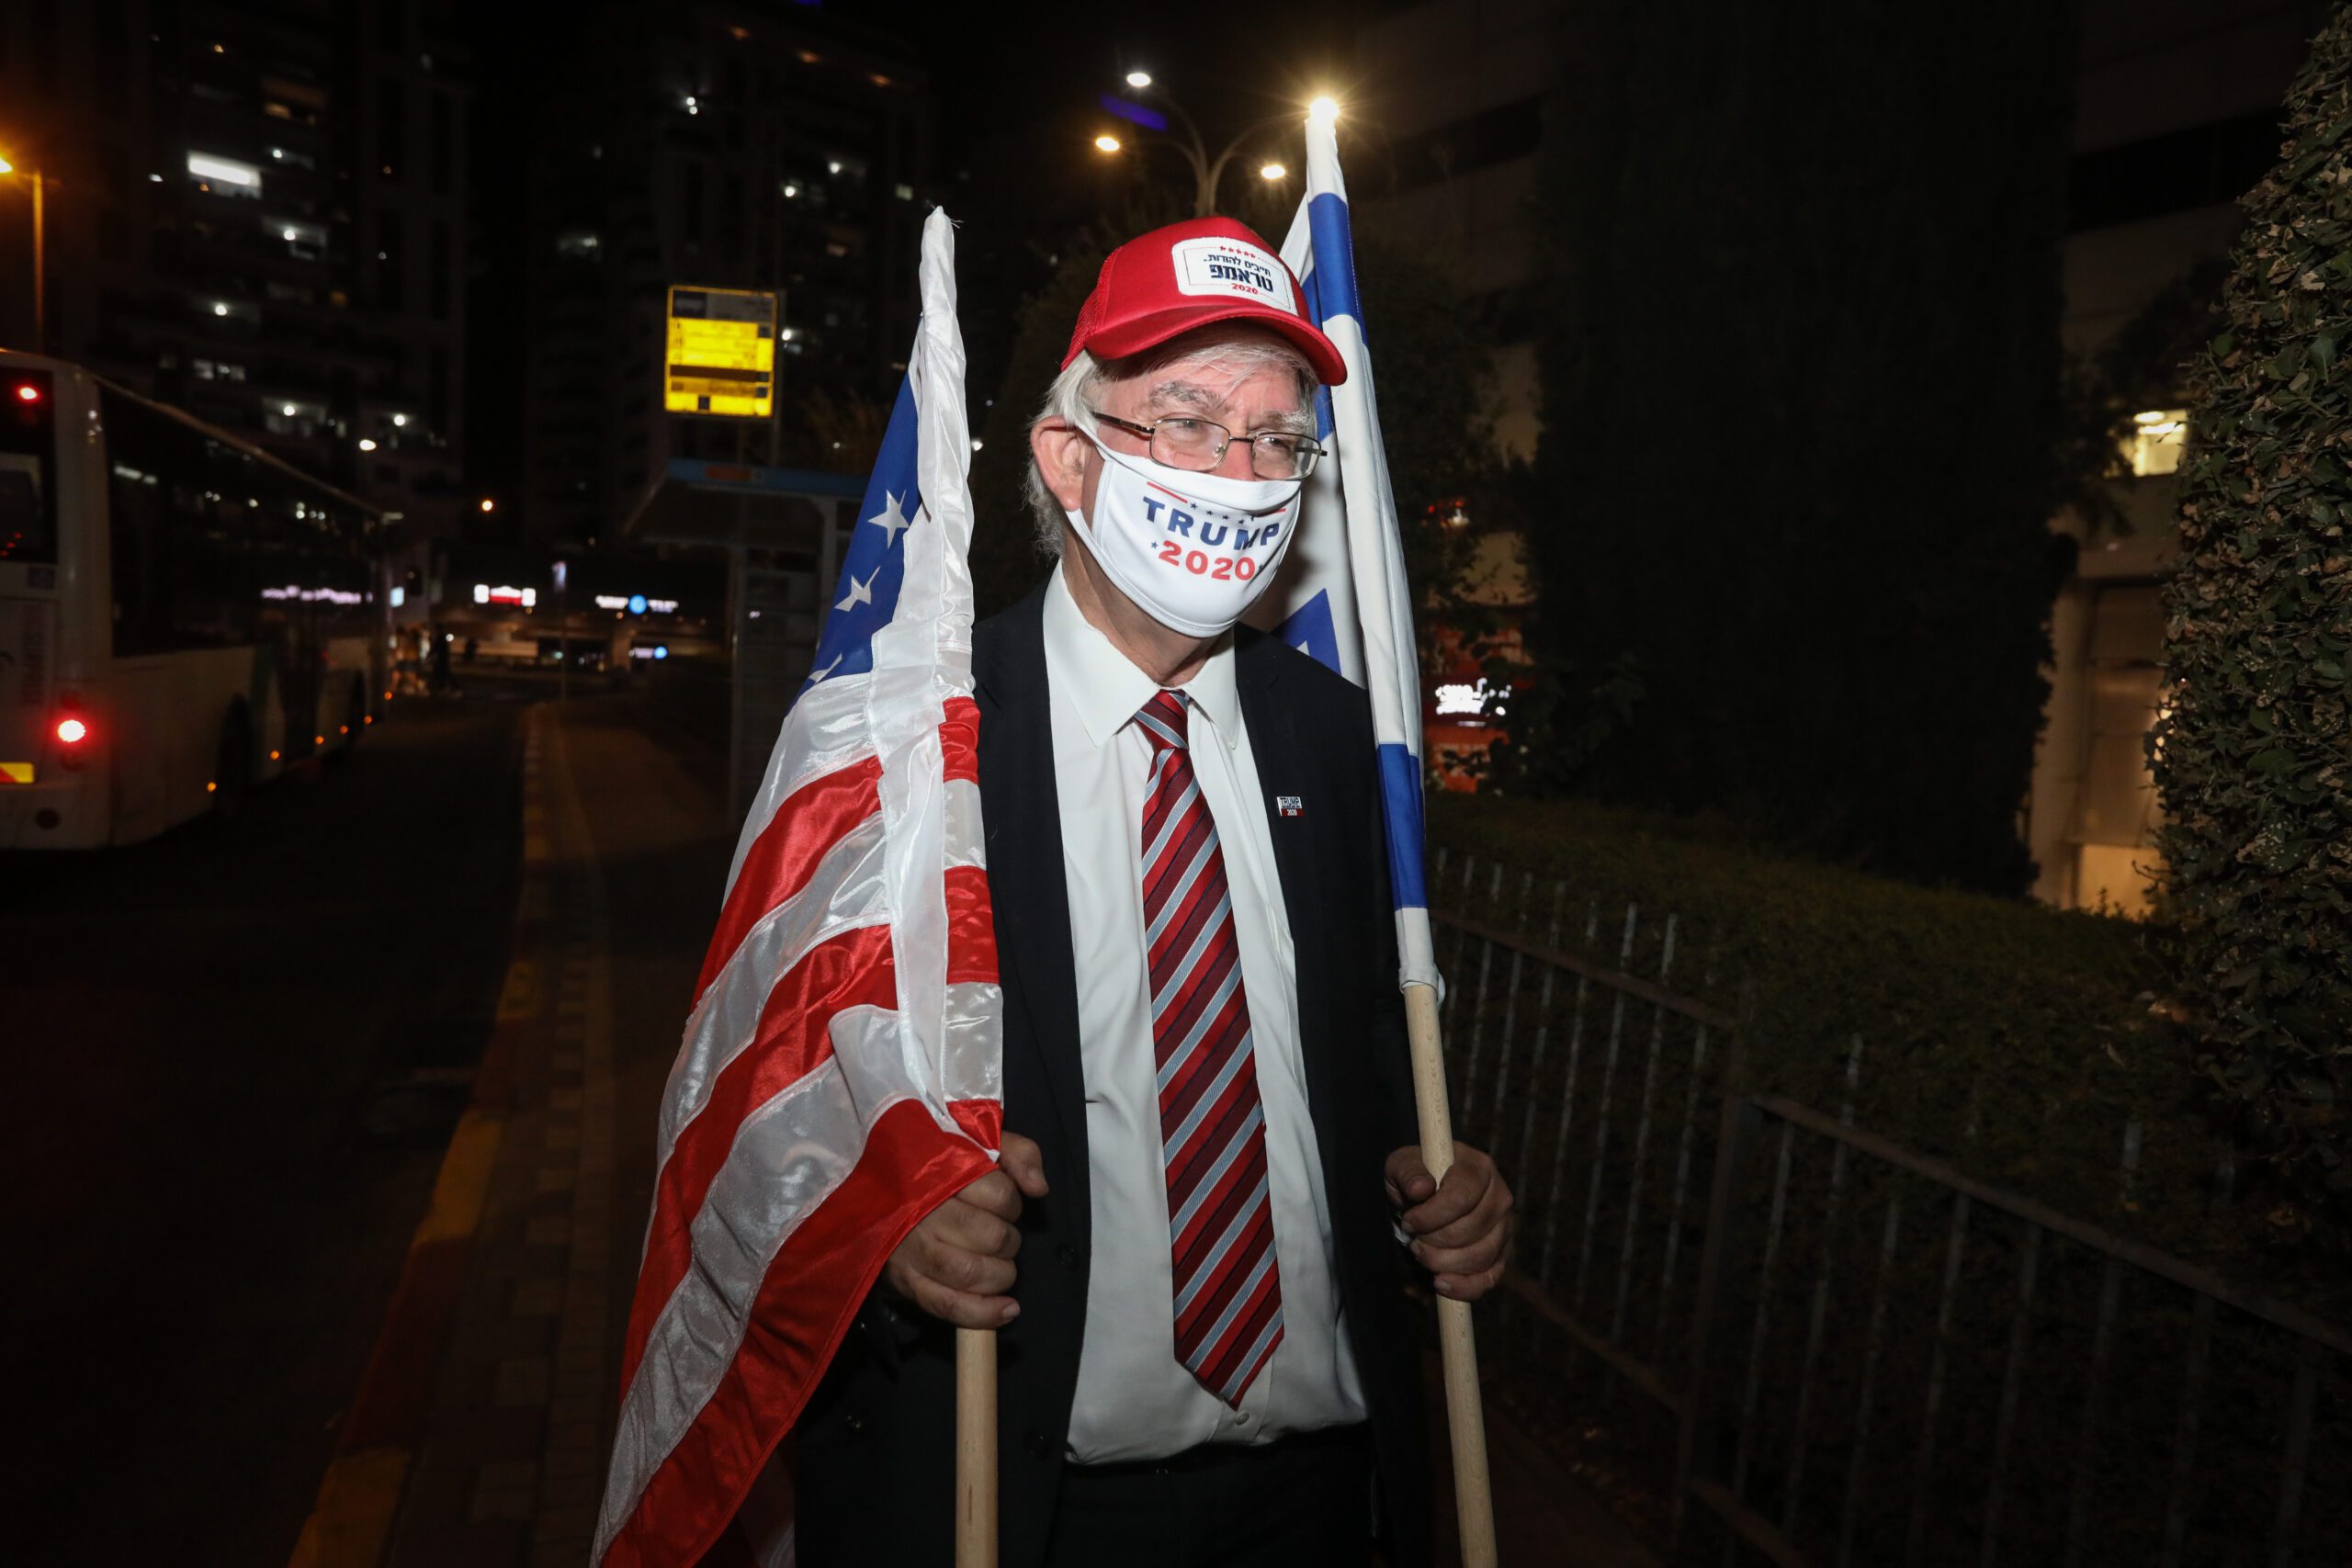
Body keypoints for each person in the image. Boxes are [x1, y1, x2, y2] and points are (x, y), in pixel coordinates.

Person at [795, 218, 1513, 1568]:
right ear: (1070, 460)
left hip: (1327, 1504)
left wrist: (1440, 1196)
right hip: (1028, 1506)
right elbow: (783, 1109)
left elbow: (1360, 1080)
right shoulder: (915, 744)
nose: (1242, 476)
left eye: (1278, 438)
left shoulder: (1334, 742)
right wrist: (886, 1226)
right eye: (1187, 422)